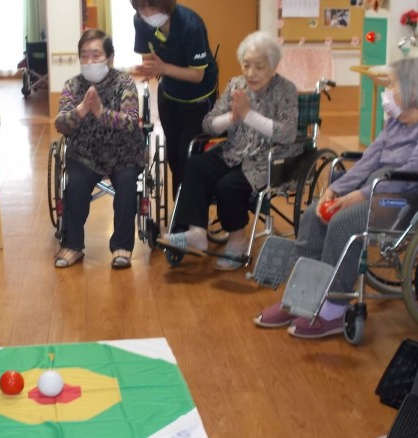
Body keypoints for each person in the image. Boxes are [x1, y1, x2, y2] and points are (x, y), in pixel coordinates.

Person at [255, 57, 418, 339]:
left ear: (412, 89)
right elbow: (369, 161)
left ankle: (333, 309)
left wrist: (360, 195)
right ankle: (301, 298)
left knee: (343, 223)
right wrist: (336, 190)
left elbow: (408, 175)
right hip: (374, 187)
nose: (387, 92)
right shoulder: (396, 122)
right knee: (313, 214)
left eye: (392, 85)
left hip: (401, 197)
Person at [157, 31, 301, 270]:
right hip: (234, 150)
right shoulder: (236, 85)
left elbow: (287, 133)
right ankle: (196, 232)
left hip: (268, 158)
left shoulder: (286, 90)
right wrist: (232, 118)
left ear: (274, 66)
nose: (251, 73)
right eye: (246, 65)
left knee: (228, 185)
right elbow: (208, 124)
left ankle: (237, 240)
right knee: (196, 165)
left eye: (259, 67)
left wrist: (247, 115)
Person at [54, 29, 144, 269]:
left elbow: (130, 121)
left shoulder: (124, 83)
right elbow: (60, 124)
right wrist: (82, 109)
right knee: (75, 184)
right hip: (85, 154)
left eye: (96, 55)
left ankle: (122, 246)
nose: (90, 61)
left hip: (123, 153)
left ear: (109, 58)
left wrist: (100, 112)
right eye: (84, 56)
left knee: (127, 184)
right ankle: (73, 245)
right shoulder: (73, 85)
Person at [131, 0, 217, 200]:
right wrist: (149, 69)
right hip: (170, 95)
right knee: (174, 157)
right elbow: (149, 59)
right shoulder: (140, 21)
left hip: (198, 98)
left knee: (189, 159)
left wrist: (164, 69)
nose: (146, 13)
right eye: (141, 8)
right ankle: (181, 208)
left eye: (152, 7)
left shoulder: (191, 25)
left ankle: (189, 213)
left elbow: (197, 75)